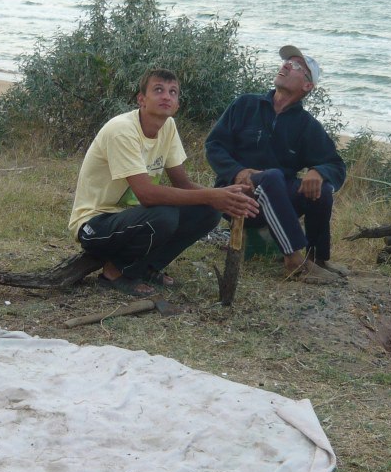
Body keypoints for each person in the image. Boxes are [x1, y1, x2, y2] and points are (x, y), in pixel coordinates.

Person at [68, 68, 259, 296]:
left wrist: (223, 196)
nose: (166, 96)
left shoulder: (167, 127)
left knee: (208, 211)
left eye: (173, 92)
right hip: (95, 224)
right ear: (142, 100)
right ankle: (115, 271)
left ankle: (148, 267)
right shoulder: (122, 130)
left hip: (133, 218)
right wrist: (212, 195)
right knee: (164, 215)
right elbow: (146, 195)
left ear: (177, 104)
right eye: (158, 90)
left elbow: (183, 184)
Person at [205, 45, 348, 285]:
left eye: (295, 66)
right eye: (286, 62)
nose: (285, 66)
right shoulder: (245, 104)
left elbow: (336, 165)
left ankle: (318, 259)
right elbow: (214, 145)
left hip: (278, 203)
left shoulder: (306, 125)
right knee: (271, 177)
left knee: (320, 190)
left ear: (307, 86)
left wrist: (319, 171)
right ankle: (294, 261)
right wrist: (237, 172)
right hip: (236, 197)